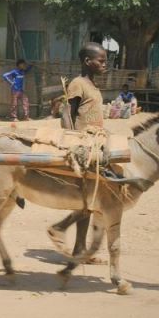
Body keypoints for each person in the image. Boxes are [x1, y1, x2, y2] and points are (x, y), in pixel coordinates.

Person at [51, 42, 108, 264]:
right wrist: (73, 141)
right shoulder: (78, 83)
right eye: (101, 61)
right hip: (83, 148)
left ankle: (79, 248)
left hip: (95, 144)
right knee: (89, 199)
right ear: (87, 62)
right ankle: (62, 230)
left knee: (91, 199)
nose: (105, 64)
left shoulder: (92, 85)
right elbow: (67, 112)